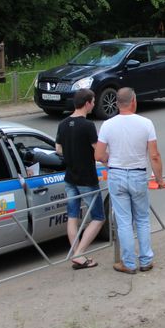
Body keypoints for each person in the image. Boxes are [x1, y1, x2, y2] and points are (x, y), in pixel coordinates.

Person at [94, 88, 165, 275]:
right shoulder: (146, 124)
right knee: (142, 219)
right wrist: (159, 179)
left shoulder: (107, 125)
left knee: (124, 221)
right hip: (138, 175)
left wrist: (111, 160)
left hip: (117, 175)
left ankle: (128, 263)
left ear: (117, 103)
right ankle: (146, 260)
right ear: (133, 101)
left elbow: (99, 155)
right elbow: (155, 156)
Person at [55, 88, 105, 270]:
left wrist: (72, 152)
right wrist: (108, 160)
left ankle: (77, 254)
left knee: (73, 217)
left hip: (70, 177)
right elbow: (97, 152)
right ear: (87, 103)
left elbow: (58, 149)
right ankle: (79, 254)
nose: (94, 104)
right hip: (87, 178)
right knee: (98, 217)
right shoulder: (88, 126)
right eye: (93, 101)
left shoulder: (63, 123)